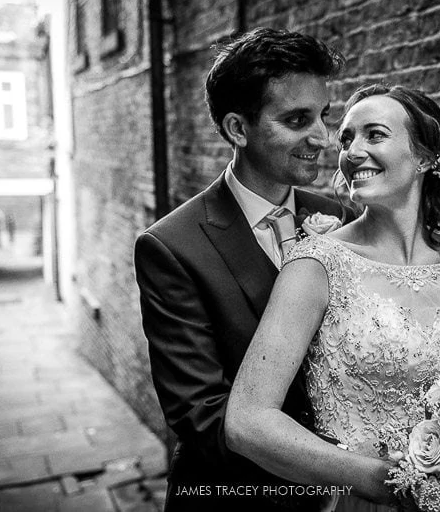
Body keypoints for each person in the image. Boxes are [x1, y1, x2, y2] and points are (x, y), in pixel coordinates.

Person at [226, 84, 440, 511]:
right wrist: (382, 482)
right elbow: (248, 421)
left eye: (374, 135)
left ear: (425, 157)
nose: (352, 151)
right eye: (347, 138)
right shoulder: (317, 265)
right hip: (360, 499)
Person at [134, 27, 349, 511]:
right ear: (237, 129)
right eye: (298, 120)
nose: (323, 138)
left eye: (324, 116)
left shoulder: (341, 219)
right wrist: (331, 481)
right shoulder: (170, 247)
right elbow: (202, 416)